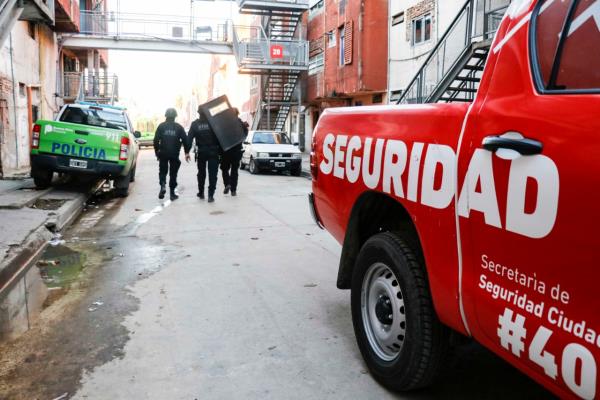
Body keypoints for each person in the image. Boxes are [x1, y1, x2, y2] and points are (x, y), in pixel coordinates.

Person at [153, 108, 191, 201]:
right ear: (175, 117)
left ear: (166, 116)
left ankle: (162, 185)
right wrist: (186, 152)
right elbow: (186, 141)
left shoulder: (161, 126)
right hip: (174, 154)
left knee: (163, 171)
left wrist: (157, 152)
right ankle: (172, 194)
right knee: (173, 174)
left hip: (163, 153)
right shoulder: (179, 127)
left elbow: (155, 140)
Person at [188, 107, 221, 202]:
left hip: (202, 152)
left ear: (199, 114)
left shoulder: (195, 124)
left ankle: (201, 192)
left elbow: (189, 138)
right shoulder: (213, 122)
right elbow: (221, 137)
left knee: (201, 173)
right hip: (213, 151)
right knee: (213, 174)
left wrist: (187, 151)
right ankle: (211, 195)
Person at [220, 108, 249, 196]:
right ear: (237, 114)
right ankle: (233, 190)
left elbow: (220, 135)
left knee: (225, 169)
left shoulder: (224, 123)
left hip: (226, 151)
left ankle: (227, 184)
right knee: (234, 170)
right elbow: (245, 135)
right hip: (236, 151)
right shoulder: (240, 123)